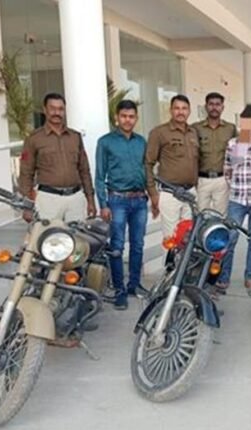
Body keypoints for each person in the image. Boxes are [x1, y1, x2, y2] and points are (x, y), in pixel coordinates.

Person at [95, 100, 147, 310]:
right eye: (124, 116)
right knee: (116, 246)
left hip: (140, 200)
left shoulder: (141, 142)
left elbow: (147, 171)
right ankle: (119, 291)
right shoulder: (105, 142)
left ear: (136, 118)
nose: (128, 120)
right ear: (117, 117)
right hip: (117, 201)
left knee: (138, 245)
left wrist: (151, 196)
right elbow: (99, 176)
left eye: (131, 116)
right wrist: (103, 204)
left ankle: (134, 285)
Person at [216, 105, 251, 292]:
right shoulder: (233, 144)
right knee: (230, 238)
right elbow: (228, 170)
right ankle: (224, 277)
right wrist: (236, 186)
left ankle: (250, 276)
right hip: (237, 200)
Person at [18, 93, 95, 223]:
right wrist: (27, 205)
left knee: (77, 235)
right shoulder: (34, 139)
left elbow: (84, 170)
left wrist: (90, 200)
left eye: (60, 109)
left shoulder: (75, 137)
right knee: (49, 235)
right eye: (52, 108)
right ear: (45, 110)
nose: (57, 113)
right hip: (48, 199)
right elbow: (26, 173)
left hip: (75, 198)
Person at [145, 94, 200, 241]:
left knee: (188, 238)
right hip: (170, 193)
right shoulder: (159, 132)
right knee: (170, 239)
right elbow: (148, 163)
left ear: (189, 111)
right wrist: (153, 193)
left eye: (184, 108)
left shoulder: (193, 133)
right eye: (177, 108)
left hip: (190, 193)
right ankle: (170, 258)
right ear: (170, 110)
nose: (180, 112)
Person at [192, 92, 237, 215]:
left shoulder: (230, 128)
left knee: (220, 216)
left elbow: (237, 153)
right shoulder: (195, 128)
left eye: (217, 104)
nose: (214, 107)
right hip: (201, 180)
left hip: (222, 180)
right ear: (206, 107)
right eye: (211, 104)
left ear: (222, 107)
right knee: (201, 215)